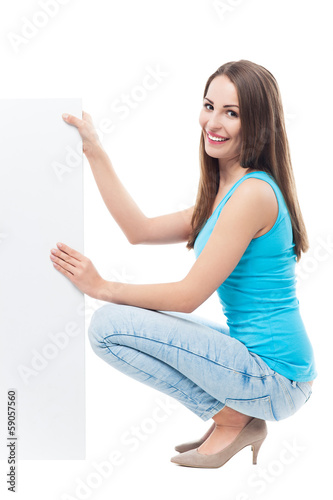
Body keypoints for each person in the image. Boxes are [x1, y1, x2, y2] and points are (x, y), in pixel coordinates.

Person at [49, 59, 317, 469]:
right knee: (117, 320)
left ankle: (233, 418)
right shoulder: (225, 192)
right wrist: (94, 150)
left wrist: (101, 286)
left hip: (275, 377)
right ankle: (235, 417)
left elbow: (189, 296)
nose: (213, 121)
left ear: (258, 124)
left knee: (108, 327)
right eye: (209, 106)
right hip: (257, 361)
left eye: (232, 113)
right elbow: (138, 229)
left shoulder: (252, 194)